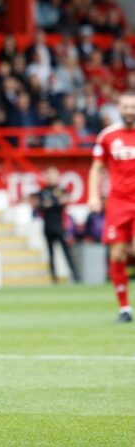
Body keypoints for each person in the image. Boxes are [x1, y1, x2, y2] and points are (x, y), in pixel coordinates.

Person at [88, 90, 135, 322]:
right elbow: (96, 168)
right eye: (126, 107)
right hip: (118, 201)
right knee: (117, 254)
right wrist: (93, 196)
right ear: (119, 108)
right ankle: (124, 308)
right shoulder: (107, 136)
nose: (129, 111)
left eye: (132, 107)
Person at [30, 167, 79, 284]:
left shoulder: (62, 190)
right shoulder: (42, 192)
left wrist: (51, 203)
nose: (51, 178)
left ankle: (76, 276)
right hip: (48, 226)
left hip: (60, 226)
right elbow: (40, 206)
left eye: (53, 176)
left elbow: (63, 202)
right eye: (49, 176)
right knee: (50, 253)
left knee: (67, 252)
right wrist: (54, 202)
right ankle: (54, 278)